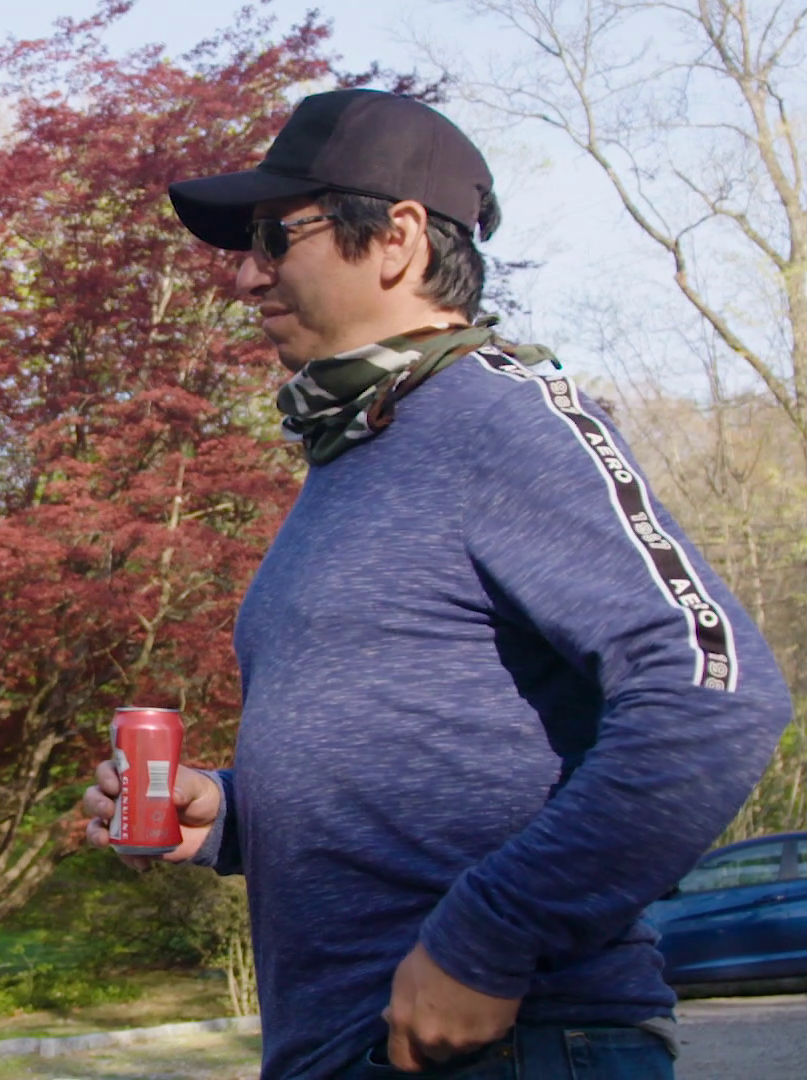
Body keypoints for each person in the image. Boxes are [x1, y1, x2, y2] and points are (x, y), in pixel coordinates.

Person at [80, 89, 793, 1079]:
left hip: (508, 1043)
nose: (245, 275)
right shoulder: (358, 451)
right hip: (350, 1047)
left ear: (398, 239)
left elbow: (716, 690)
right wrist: (233, 815)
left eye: (275, 236)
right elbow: (431, 752)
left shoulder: (500, 417)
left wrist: (494, 936)